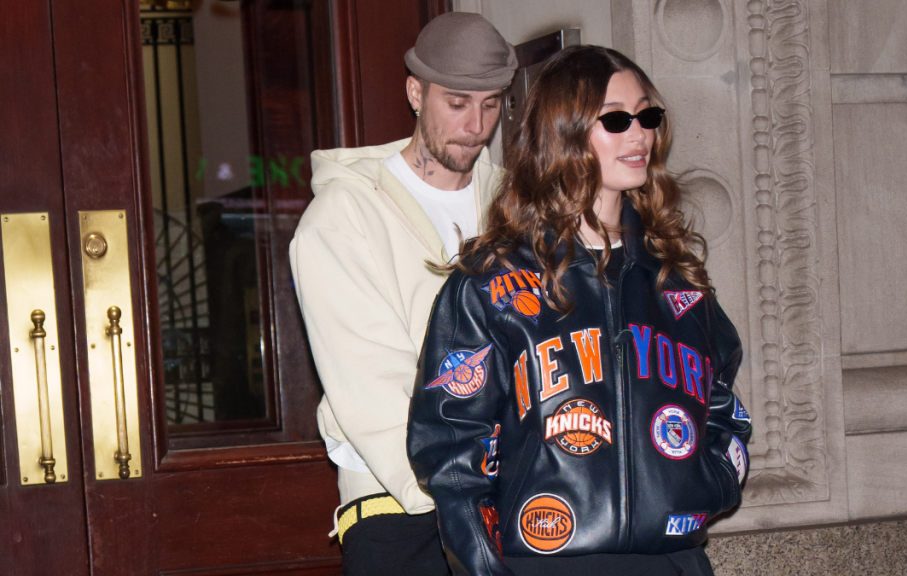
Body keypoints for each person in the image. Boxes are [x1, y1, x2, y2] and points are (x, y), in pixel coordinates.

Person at [407, 45, 752, 576]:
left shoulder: (674, 279)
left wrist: (707, 483)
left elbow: (724, 408)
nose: (640, 134)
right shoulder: (488, 284)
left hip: (673, 561)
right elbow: (451, 452)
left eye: (648, 116)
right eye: (616, 119)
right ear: (563, 132)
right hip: (546, 565)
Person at [288, 12, 517, 576]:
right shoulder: (343, 216)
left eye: (491, 104)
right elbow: (368, 382)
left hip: (517, 498)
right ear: (416, 92)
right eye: (457, 103)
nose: (475, 124)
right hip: (401, 503)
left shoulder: (516, 205)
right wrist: (459, 494)